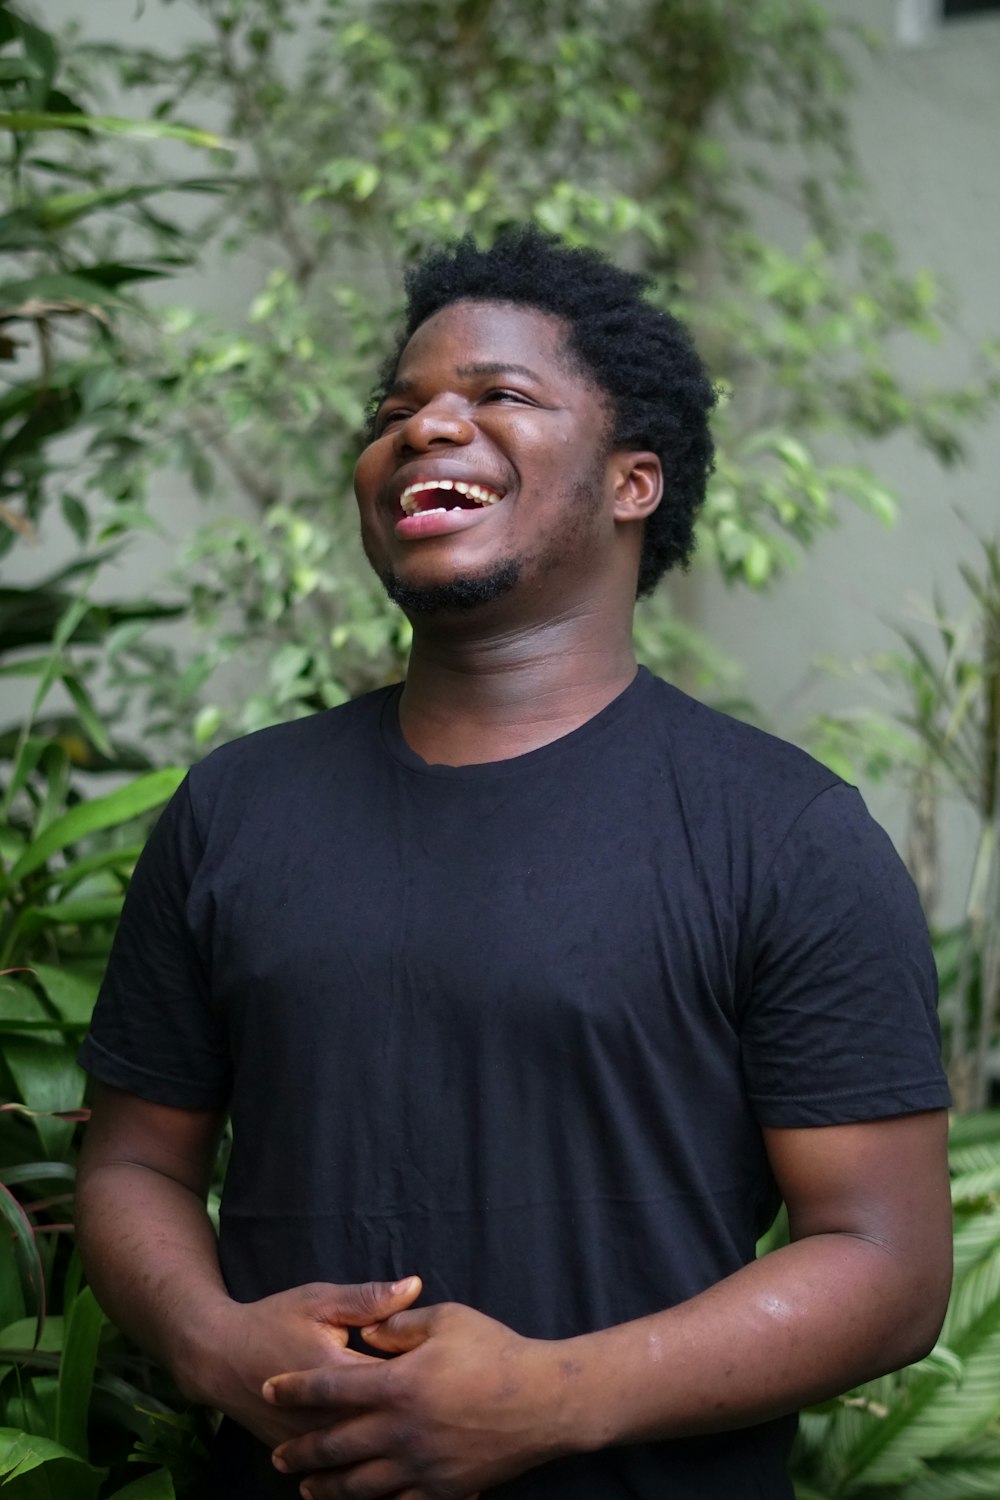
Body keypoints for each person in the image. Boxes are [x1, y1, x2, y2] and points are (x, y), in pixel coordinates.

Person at [76, 226, 953, 1500]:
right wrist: (214, 1346)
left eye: (497, 396)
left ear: (632, 482)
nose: (425, 428)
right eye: (398, 409)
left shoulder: (785, 835)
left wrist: (555, 1399)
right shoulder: (236, 807)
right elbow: (133, 1163)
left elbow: (885, 1265)